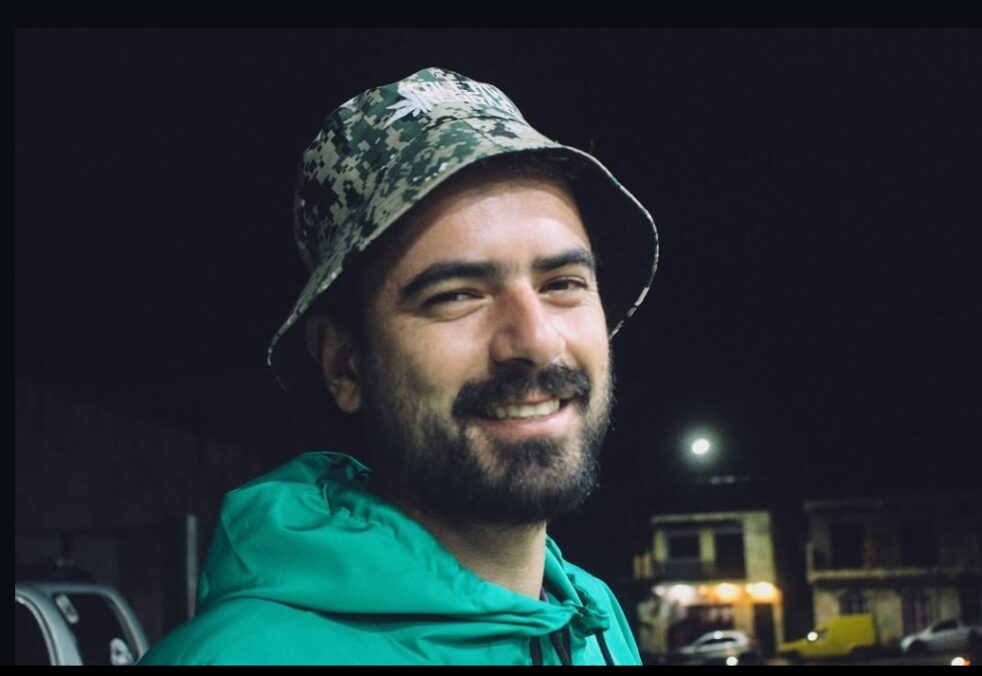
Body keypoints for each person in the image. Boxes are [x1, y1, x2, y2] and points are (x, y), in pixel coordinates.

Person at [140, 67, 658, 666]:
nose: (537, 340)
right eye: (456, 295)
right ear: (345, 366)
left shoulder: (592, 621)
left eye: (563, 283)